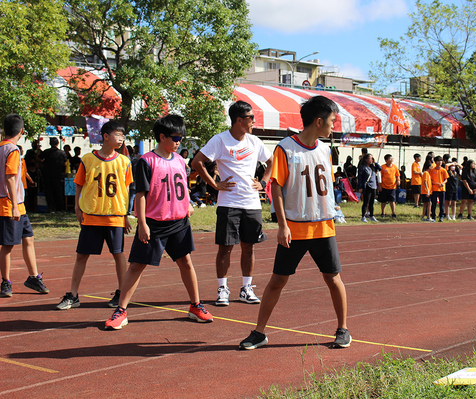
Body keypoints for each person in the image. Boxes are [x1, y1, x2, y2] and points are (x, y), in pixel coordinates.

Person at [239, 95, 351, 350]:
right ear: (319, 121)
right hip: (295, 229)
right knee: (277, 281)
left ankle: (343, 329)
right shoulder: (286, 148)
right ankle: (259, 332)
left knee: (333, 278)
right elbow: (276, 187)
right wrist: (282, 225)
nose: (334, 125)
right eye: (332, 121)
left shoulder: (324, 149)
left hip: (323, 227)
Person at [105, 115, 212, 330]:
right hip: (155, 223)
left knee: (186, 262)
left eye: (181, 137)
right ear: (162, 137)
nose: (179, 141)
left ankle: (195, 305)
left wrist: (189, 202)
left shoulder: (180, 160)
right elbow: (141, 195)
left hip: (179, 222)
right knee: (136, 266)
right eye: (175, 137)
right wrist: (142, 223)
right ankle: (121, 310)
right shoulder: (146, 161)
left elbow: (182, 185)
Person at [191, 101, 273, 307]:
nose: (254, 121)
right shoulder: (220, 140)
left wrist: (263, 182)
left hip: (252, 203)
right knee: (225, 248)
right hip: (229, 203)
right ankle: (222, 289)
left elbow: (272, 162)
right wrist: (214, 185)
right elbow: (197, 162)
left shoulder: (255, 141)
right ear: (239, 120)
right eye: (251, 118)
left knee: (249, 247)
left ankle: (246, 288)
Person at [56, 121, 133, 310]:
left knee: (118, 255)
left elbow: (127, 190)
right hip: (91, 216)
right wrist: (77, 207)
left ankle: (121, 292)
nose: (121, 138)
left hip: (114, 216)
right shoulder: (88, 159)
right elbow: (79, 184)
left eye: (123, 136)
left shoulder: (124, 162)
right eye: (118, 134)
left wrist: (125, 214)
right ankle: (73, 294)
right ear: (105, 136)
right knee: (82, 255)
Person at [0, 114, 49, 298]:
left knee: (28, 238)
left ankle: (33, 276)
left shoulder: (3, 148)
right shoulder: (12, 150)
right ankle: (5, 281)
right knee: (7, 245)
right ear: (21, 131)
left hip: (17, 205)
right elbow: (10, 178)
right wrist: (13, 205)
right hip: (10, 204)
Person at [40, 137, 67, 212]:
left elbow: (40, 160)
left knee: (48, 191)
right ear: (58, 143)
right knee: (58, 191)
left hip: (47, 174)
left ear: (50, 143)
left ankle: (51, 207)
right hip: (57, 174)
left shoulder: (46, 152)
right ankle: (60, 207)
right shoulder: (62, 153)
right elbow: (65, 164)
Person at [358, 153, 379, 222]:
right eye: (370, 158)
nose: (371, 160)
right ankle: (363, 216)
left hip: (374, 186)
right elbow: (360, 177)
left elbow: (380, 168)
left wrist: (375, 162)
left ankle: (371, 215)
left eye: (372, 158)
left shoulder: (373, 167)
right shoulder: (363, 167)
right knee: (366, 202)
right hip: (367, 186)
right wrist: (360, 187)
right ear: (366, 159)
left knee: (372, 202)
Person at [378, 154, 399, 218]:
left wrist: (398, 180)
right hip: (384, 186)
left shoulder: (394, 167)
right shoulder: (382, 167)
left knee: (392, 201)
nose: (391, 160)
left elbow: (397, 175)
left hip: (392, 187)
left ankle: (393, 213)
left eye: (392, 158)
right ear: (386, 160)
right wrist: (380, 186)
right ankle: (383, 213)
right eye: (390, 158)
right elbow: (379, 177)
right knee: (383, 201)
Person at [429, 156, 449, 222]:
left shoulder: (443, 170)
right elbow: (431, 180)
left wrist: (443, 183)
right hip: (435, 189)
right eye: (438, 161)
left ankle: (441, 216)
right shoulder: (433, 170)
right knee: (434, 203)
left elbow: (446, 179)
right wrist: (437, 183)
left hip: (442, 189)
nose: (440, 162)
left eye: (441, 161)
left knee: (442, 203)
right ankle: (433, 216)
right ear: (435, 162)